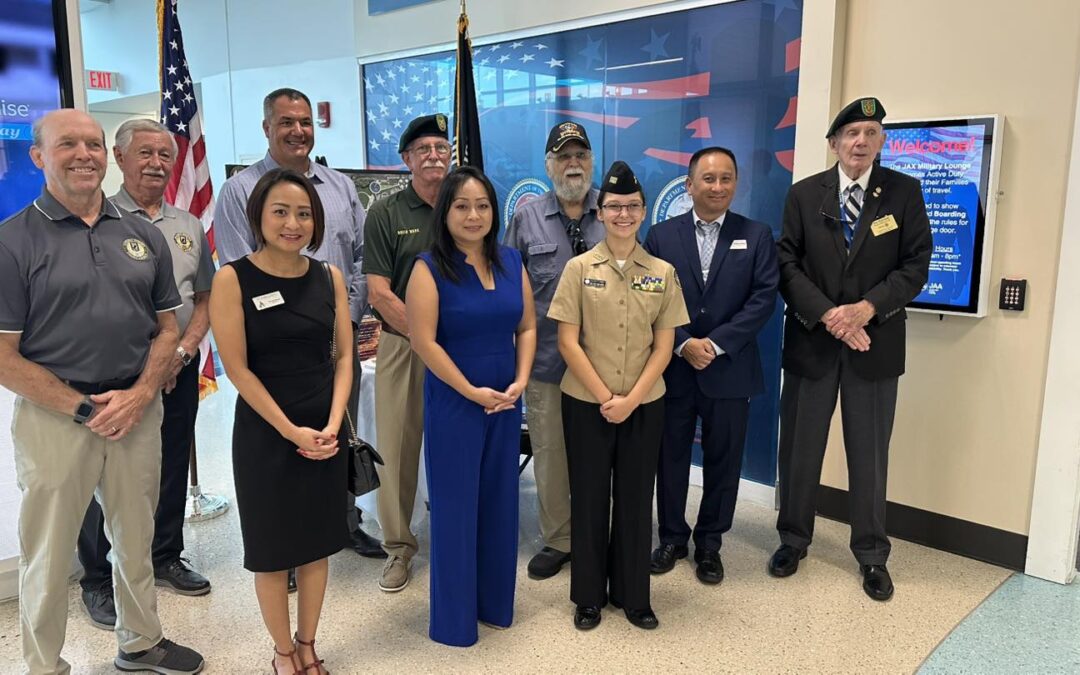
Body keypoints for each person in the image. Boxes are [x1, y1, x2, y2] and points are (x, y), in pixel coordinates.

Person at [0, 109, 204, 674]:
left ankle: (141, 643)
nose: (84, 154)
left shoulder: (140, 233)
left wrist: (139, 396)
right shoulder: (12, 241)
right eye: (68, 144)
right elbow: (2, 355)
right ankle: (43, 665)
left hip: (137, 409)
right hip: (56, 418)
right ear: (39, 156)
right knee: (48, 550)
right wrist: (83, 407)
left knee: (135, 537)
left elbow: (168, 327)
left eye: (92, 142)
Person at [771, 97, 932, 601]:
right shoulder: (803, 195)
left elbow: (915, 266)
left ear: (881, 141)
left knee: (869, 455)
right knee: (799, 450)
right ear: (835, 143)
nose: (860, 141)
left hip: (875, 344)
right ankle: (792, 540)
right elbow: (786, 265)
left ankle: (871, 555)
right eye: (851, 133)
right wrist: (829, 316)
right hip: (813, 342)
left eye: (870, 132)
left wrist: (864, 309)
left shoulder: (904, 193)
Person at [214, 87, 382, 562]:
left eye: (305, 121)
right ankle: (285, 545)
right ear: (267, 127)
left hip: (332, 340)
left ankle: (341, 524)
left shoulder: (341, 186)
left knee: (336, 435)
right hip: (273, 351)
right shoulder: (239, 191)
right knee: (280, 446)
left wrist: (342, 320)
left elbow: (357, 258)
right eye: (286, 122)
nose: (297, 130)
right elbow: (236, 273)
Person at [209, 168, 351, 673]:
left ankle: (309, 643)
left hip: (324, 430)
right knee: (272, 553)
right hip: (266, 435)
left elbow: (343, 359)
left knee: (316, 548)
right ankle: (283, 652)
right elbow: (237, 370)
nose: (293, 223)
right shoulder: (232, 278)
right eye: (281, 212)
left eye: (304, 213)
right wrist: (291, 432)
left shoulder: (329, 277)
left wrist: (333, 424)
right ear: (259, 218)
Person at [75, 119, 215, 631]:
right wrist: (144, 371)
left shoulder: (188, 225)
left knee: (171, 462)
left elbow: (204, 301)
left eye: (165, 154)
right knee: (99, 474)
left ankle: (165, 554)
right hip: (115, 375)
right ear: (119, 157)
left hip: (177, 369)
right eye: (145, 153)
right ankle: (96, 577)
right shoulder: (96, 220)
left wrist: (180, 354)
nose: (157, 163)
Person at [548, 161, 689, 631]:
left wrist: (630, 399)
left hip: (645, 405)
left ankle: (633, 595)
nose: (623, 214)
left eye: (631, 206)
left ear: (644, 211)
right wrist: (607, 395)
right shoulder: (578, 268)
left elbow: (665, 345)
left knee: (634, 498)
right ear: (600, 212)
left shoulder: (663, 272)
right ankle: (588, 596)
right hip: (586, 403)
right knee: (588, 498)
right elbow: (568, 342)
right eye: (614, 206)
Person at [406, 166, 537, 646]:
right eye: (461, 205)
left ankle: (494, 606)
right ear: (445, 212)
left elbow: (525, 327)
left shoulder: (509, 261)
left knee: (500, 504)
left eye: (482, 205)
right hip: (455, 404)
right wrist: (470, 391)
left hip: (503, 403)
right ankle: (455, 621)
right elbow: (424, 342)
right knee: (456, 509)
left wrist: (520, 380)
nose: (473, 214)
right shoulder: (428, 267)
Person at [644, 147, 779, 585]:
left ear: (736, 184)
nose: (717, 187)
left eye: (726, 178)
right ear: (690, 185)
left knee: (724, 461)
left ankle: (709, 544)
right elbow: (648, 298)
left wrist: (715, 344)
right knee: (670, 457)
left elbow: (763, 299)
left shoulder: (756, 235)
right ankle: (671, 538)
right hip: (675, 368)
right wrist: (683, 344)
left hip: (729, 369)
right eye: (708, 179)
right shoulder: (662, 236)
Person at [504, 121, 604, 580]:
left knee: (604, 454)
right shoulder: (525, 219)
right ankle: (560, 538)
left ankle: (601, 534)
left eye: (580, 155)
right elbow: (509, 292)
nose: (573, 164)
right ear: (548, 165)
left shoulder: (615, 212)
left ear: (591, 160)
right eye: (563, 156)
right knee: (550, 453)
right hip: (546, 363)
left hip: (607, 369)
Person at [363, 113, 451, 592]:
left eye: (441, 147)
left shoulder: (467, 205)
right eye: (423, 150)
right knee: (397, 450)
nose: (434, 156)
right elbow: (378, 292)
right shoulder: (386, 213)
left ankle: (459, 534)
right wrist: (425, 340)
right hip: (405, 347)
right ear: (406, 160)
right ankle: (398, 548)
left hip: (463, 349)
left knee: (456, 442)